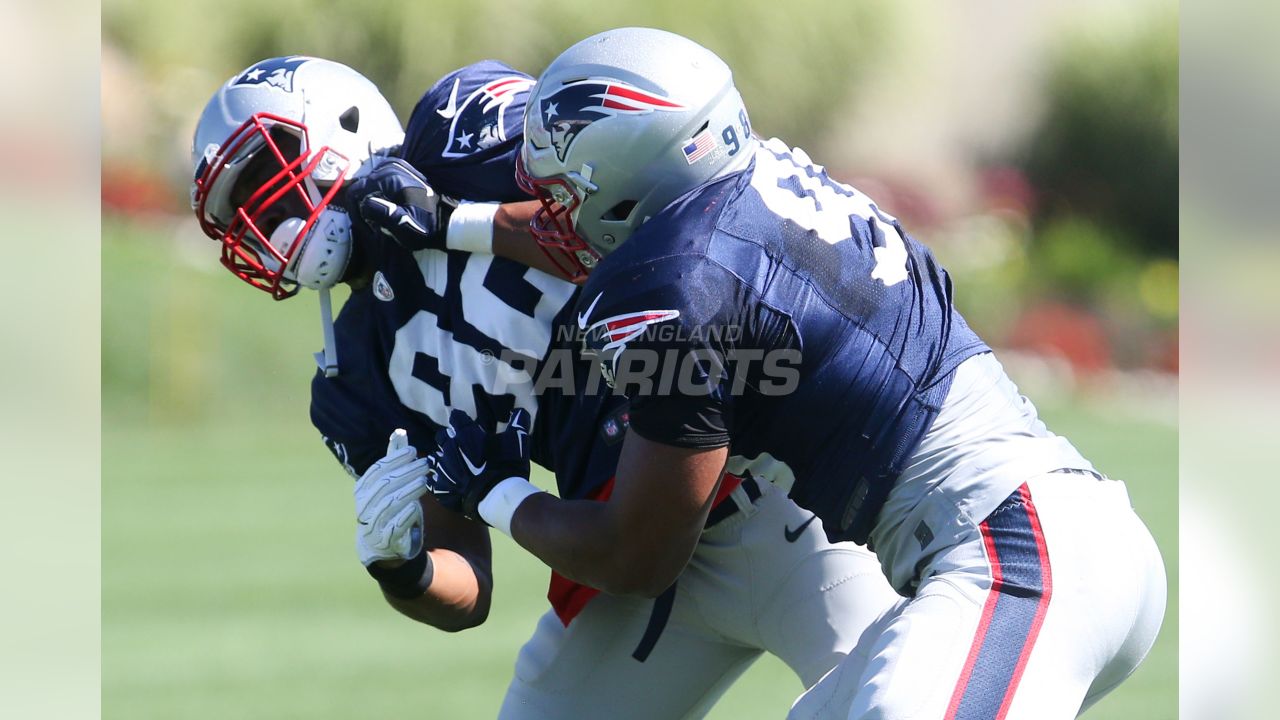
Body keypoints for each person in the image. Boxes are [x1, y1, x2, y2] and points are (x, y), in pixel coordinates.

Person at [423, 28, 1168, 719]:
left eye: (562, 190)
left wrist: (495, 492)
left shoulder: (671, 285)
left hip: (1016, 554)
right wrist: (449, 222)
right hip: (1043, 537)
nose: (552, 212)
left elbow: (638, 554)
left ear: (623, 171)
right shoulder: (756, 176)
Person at [189, 55, 900, 719]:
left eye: (264, 184)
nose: (264, 224)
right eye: (241, 212)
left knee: (911, 695)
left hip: (752, 484)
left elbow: (653, 227)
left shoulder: (457, 128)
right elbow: (467, 577)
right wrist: (402, 569)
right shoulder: (351, 376)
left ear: (338, 126)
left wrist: (452, 221)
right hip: (618, 551)